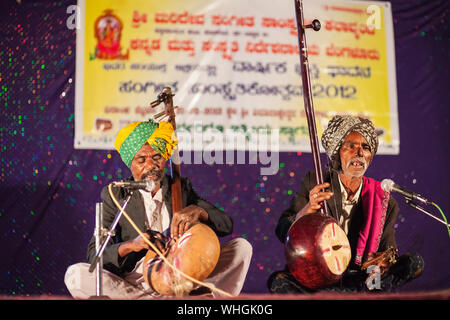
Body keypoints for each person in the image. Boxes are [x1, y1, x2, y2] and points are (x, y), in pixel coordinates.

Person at [65, 119, 252, 299]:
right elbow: (94, 256)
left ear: (165, 159)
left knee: (241, 248)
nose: (151, 166)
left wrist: (199, 211)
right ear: (130, 163)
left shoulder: (179, 188)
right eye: (141, 160)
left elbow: (226, 225)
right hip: (136, 281)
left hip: (181, 274)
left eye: (157, 157)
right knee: (76, 275)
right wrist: (132, 245)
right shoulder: (117, 194)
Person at [267, 115, 424, 293]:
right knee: (279, 281)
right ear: (337, 152)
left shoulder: (383, 200)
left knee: (413, 263)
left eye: (365, 147)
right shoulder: (316, 182)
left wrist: (384, 261)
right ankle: (344, 296)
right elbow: (282, 231)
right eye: (351, 146)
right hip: (320, 276)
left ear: (370, 155)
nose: (359, 153)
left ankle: (347, 295)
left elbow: (386, 250)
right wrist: (305, 210)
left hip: (360, 277)